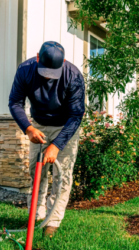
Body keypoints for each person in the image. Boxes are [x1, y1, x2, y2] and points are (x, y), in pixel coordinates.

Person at [9, 41, 85, 237]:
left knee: (63, 176)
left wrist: (57, 145)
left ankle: (52, 221)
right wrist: (28, 128)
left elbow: (76, 115)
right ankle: (36, 215)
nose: (49, 78)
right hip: (39, 126)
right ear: (37, 58)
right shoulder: (25, 70)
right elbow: (15, 102)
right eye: (45, 72)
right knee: (37, 172)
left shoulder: (73, 75)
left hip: (65, 126)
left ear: (64, 62)